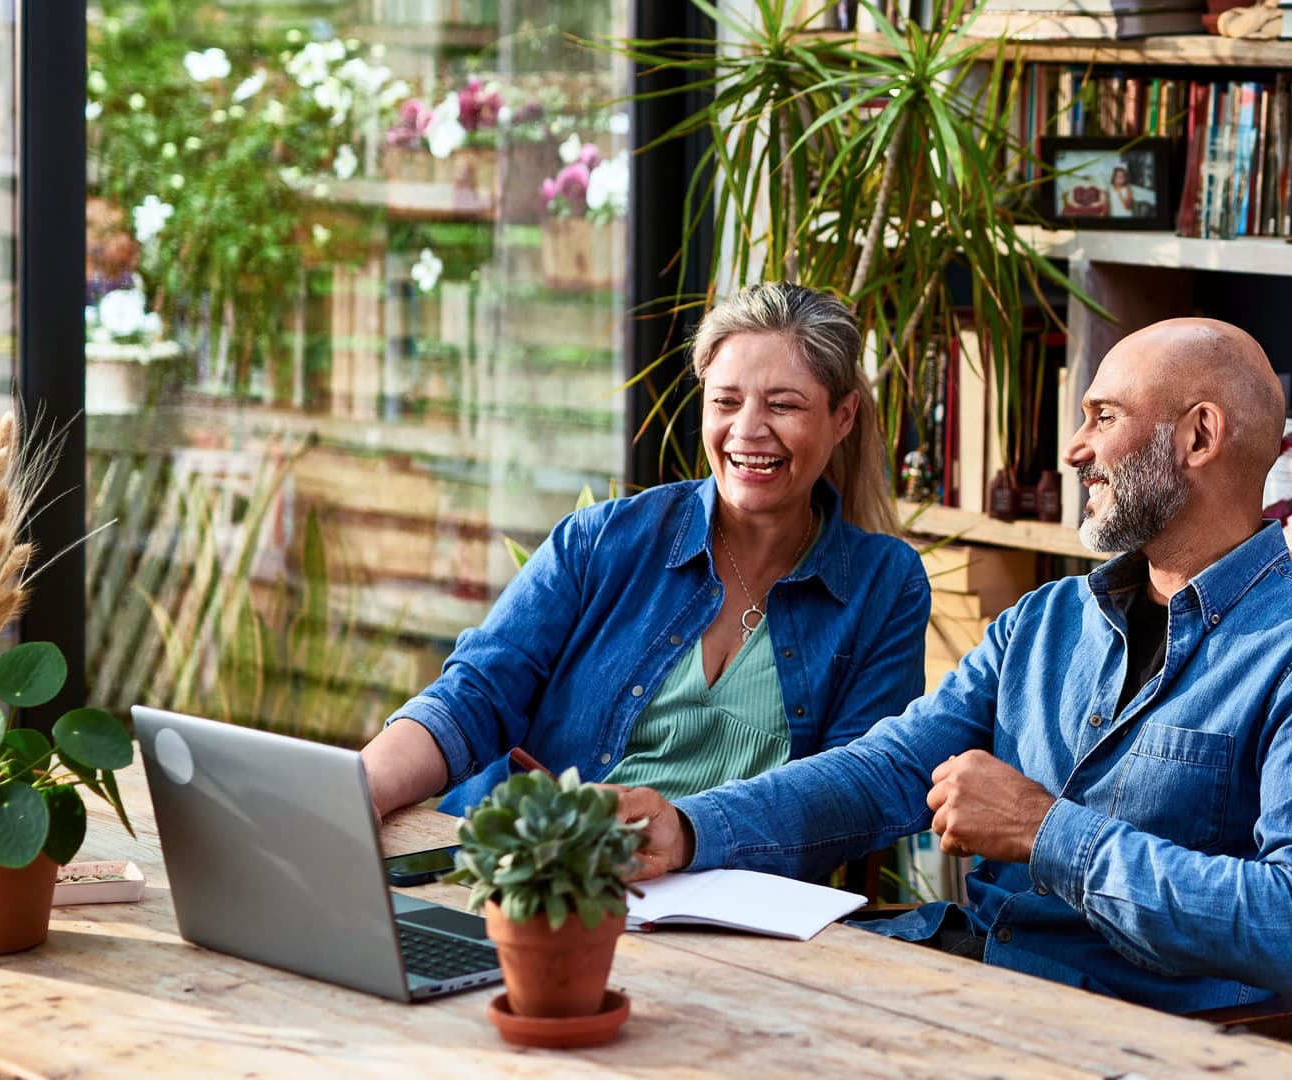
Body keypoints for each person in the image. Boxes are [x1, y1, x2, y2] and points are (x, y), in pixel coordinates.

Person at [617, 317, 1292, 1014]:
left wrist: (1043, 830)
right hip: (966, 980)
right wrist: (689, 829)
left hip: (1127, 1031)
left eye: (1103, 417)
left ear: (1198, 437)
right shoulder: (1045, 619)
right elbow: (885, 771)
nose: (1076, 449)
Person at [360, 283, 931, 820]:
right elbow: (474, 697)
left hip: (722, 912)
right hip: (538, 880)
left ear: (843, 416)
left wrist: (687, 834)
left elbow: (852, 791)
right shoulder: (600, 540)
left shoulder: (884, 586)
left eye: (783, 405)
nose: (747, 430)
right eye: (726, 401)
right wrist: (359, 791)